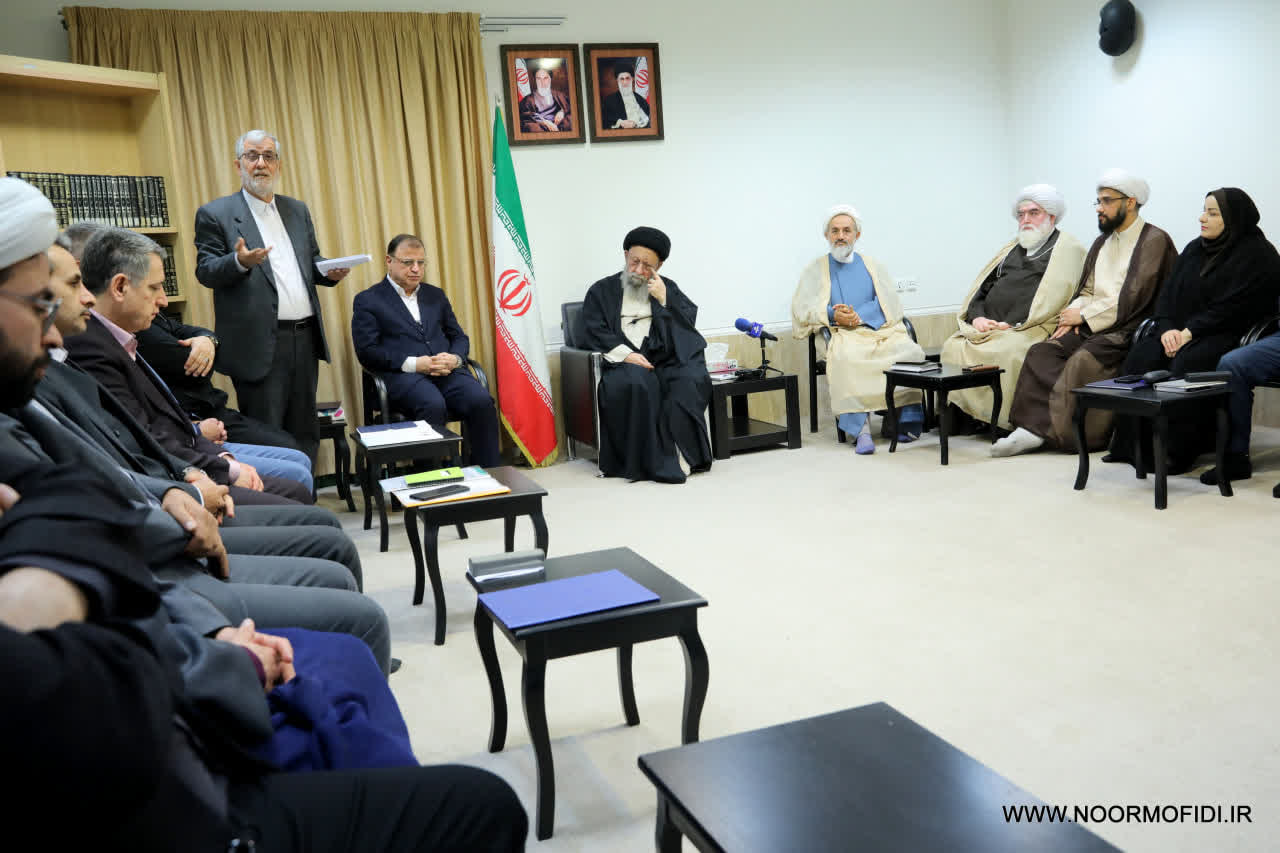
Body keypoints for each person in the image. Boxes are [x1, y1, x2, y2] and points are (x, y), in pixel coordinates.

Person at [66, 227, 312, 504]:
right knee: (297, 484)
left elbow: (198, 341)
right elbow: (147, 437)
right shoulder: (93, 346)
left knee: (296, 465)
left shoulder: (126, 332)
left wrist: (207, 339)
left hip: (196, 444)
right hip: (173, 478)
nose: (163, 300)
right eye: (154, 287)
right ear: (120, 287)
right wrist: (225, 467)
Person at [993, 169, 1178, 456]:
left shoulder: (1154, 240)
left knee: (1081, 361)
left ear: (1130, 203)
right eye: (1098, 201)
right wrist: (1072, 312)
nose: (1100, 208)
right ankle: (1030, 429)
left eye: (1107, 201)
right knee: (1043, 351)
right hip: (1093, 323)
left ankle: (1069, 435)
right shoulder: (1103, 242)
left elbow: (1134, 296)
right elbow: (1088, 289)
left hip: (1129, 327)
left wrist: (1084, 317)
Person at [194, 130, 351, 463]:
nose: (261, 164)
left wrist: (328, 271)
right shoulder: (215, 214)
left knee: (305, 431)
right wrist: (239, 261)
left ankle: (308, 496)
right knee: (268, 435)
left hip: (304, 338)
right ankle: (279, 496)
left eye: (268, 156)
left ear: (278, 164)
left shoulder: (296, 210)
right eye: (252, 156)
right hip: (258, 345)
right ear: (238, 165)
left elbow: (310, 261)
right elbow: (205, 270)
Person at [1107, 188, 1280, 475]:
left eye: (1212, 213)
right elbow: (1167, 296)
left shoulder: (1259, 255)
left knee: (1187, 363)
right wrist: (1167, 329)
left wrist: (1189, 332)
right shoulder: (1194, 249)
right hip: (1179, 331)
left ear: (1234, 219)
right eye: (1204, 210)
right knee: (1143, 355)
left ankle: (1177, 451)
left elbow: (1237, 307)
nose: (1202, 218)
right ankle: (1130, 445)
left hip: (1224, 332)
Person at [941, 185, 1087, 431]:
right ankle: (965, 419)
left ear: (1052, 217)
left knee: (1009, 351)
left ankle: (1000, 422)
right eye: (1021, 214)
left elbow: (1057, 298)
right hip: (988, 327)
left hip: (1031, 327)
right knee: (952, 347)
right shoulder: (1011, 249)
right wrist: (977, 318)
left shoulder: (1068, 250)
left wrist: (1013, 324)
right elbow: (981, 291)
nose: (1025, 220)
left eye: (1033, 213)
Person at [351, 234, 500, 467]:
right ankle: (429, 480)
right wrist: (413, 364)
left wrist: (455, 358)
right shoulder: (368, 300)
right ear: (389, 261)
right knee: (432, 404)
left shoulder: (435, 295)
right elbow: (367, 351)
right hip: (402, 376)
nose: (416, 269)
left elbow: (458, 337)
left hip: (446, 372)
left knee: (481, 401)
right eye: (408, 262)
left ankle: (488, 474)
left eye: (421, 263)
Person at [579, 226, 712, 483]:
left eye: (648, 266)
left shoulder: (667, 288)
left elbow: (686, 331)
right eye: (634, 261)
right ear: (626, 255)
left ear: (659, 266)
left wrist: (665, 301)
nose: (639, 270)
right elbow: (592, 330)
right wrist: (626, 354)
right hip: (622, 362)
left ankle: (685, 454)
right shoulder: (601, 290)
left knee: (690, 379)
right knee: (639, 381)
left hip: (663, 359)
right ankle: (649, 461)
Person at [792, 204, 925, 454]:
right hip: (839, 332)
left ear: (857, 235)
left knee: (909, 351)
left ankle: (900, 421)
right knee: (848, 357)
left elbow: (887, 301)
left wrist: (859, 316)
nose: (840, 236)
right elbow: (803, 307)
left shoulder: (872, 265)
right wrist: (833, 314)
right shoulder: (815, 269)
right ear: (826, 235)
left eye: (846, 230)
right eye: (835, 231)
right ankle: (861, 430)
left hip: (876, 328)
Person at [519, 66, 572, 132]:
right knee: (531, 128)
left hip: (559, 124)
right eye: (539, 79)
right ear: (535, 80)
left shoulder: (559, 95)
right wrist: (544, 122)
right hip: (541, 126)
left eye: (545, 78)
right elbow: (525, 115)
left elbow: (570, 107)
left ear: (550, 79)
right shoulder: (528, 100)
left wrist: (562, 112)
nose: (542, 83)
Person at [601, 61, 650, 129]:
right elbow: (604, 121)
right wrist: (620, 123)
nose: (625, 82)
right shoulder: (609, 101)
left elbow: (649, 121)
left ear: (632, 79)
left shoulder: (641, 100)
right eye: (622, 79)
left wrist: (636, 124)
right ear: (617, 80)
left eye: (627, 78)